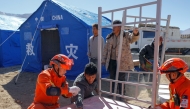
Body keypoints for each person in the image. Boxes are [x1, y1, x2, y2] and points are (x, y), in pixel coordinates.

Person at [102, 20, 139, 96]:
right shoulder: (110, 37)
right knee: (112, 79)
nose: (113, 28)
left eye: (114, 26)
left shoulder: (125, 35)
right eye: (112, 26)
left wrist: (135, 33)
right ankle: (112, 94)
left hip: (122, 62)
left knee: (121, 80)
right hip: (112, 62)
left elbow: (133, 39)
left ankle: (122, 95)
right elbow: (106, 49)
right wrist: (104, 59)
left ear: (119, 27)